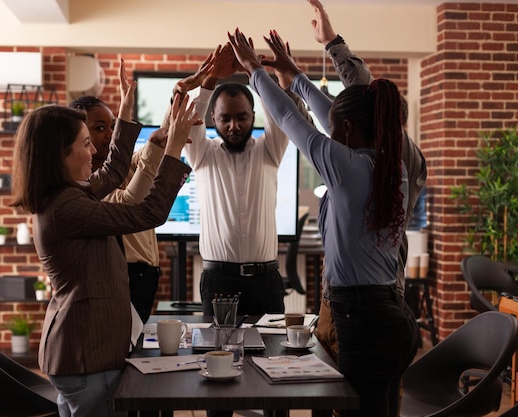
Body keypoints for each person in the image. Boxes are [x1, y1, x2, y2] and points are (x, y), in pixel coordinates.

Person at [229, 28, 420, 417]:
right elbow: (325, 113)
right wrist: (294, 74)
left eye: (336, 126)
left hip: (363, 320)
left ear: (347, 130)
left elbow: (287, 117)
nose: (329, 130)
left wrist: (252, 68)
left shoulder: (346, 168)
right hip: (393, 316)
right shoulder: (389, 166)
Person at [10, 60, 196, 417]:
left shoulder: (65, 193)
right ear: (59, 156)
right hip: (86, 355)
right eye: (85, 144)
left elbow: (112, 172)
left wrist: (126, 109)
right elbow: (147, 213)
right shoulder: (66, 207)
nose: (94, 151)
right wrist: (172, 148)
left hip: (81, 353)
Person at [307, 0, 427, 367]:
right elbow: (340, 109)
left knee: (367, 398)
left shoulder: (399, 158)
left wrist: (333, 45)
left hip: (374, 307)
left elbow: (361, 88)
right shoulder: (366, 155)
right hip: (341, 302)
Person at [179, 43, 304, 317]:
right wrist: (210, 78)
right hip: (218, 281)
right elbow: (190, 121)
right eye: (225, 119)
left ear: (253, 117)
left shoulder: (269, 150)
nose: (233, 126)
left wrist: (255, 72)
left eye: (241, 117)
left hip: (266, 281)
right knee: (218, 356)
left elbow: (279, 115)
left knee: (272, 356)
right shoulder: (202, 154)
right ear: (213, 119)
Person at [68, 83, 167, 324]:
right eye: (100, 128)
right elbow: (130, 200)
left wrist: (179, 94)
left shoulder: (123, 168)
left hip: (146, 277)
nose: (111, 134)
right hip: (126, 277)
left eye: (113, 126)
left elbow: (155, 145)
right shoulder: (86, 185)